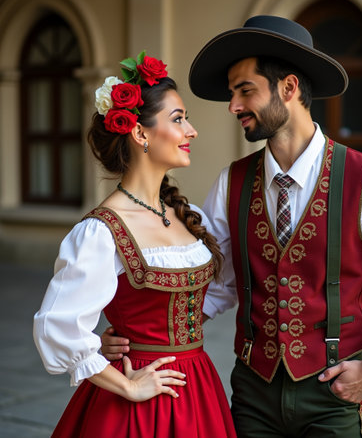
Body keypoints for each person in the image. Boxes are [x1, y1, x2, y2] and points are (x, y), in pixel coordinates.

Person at [102, 17, 362, 437]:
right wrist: (137, 338)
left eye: (245, 90)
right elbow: (212, 283)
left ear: (289, 88)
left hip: (334, 394)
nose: (233, 106)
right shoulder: (233, 181)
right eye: (231, 94)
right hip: (253, 393)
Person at [33, 51, 236, 438]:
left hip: (198, 389)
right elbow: (56, 327)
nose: (191, 131)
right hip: (139, 398)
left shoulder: (187, 214)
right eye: (178, 120)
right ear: (140, 133)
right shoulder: (101, 232)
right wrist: (126, 384)